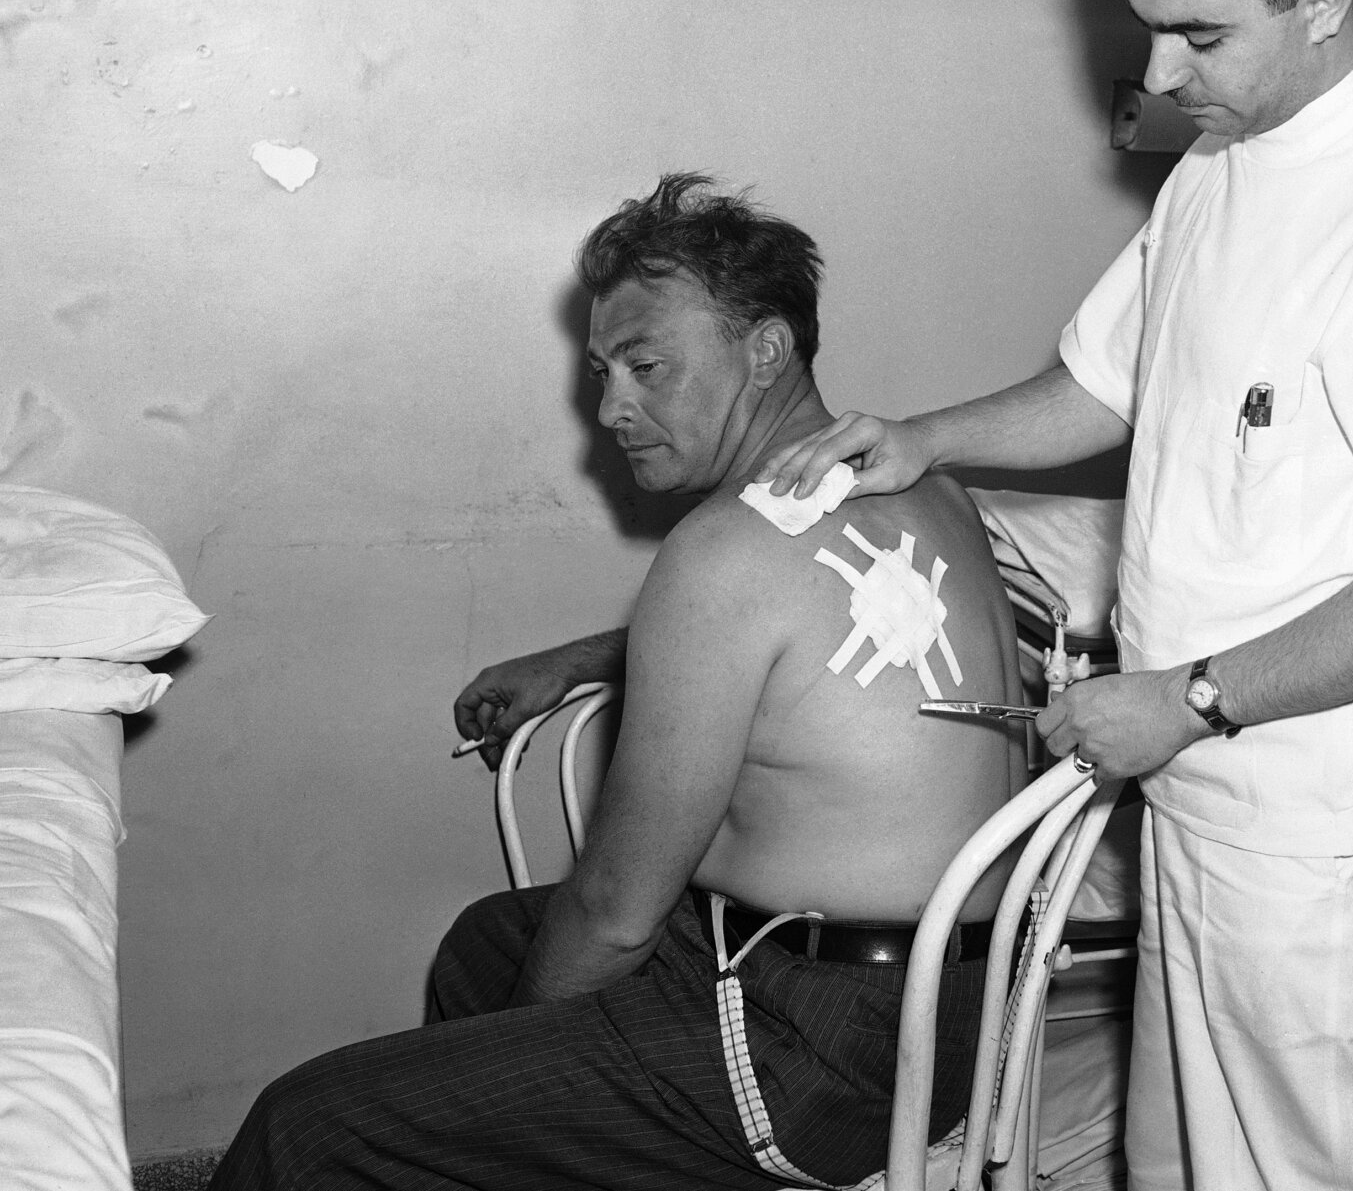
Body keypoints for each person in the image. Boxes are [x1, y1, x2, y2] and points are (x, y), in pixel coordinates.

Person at [757, 0, 1353, 1191]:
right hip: (1198, 777)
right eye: (1146, 21)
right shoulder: (1226, 169)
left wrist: (1184, 698)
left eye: (1201, 32)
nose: (1160, 76)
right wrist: (924, 437)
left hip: (1317, 821)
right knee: (1179, 1160)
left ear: (1328, 0)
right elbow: (1103, 385)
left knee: (1308, 1168)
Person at [210, 173, 1026, 1191]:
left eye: (647, 367)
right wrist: (583, 659)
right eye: (602, 371)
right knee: (486, 943)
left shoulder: (721, 555)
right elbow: (823, 653)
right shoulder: (926, 486)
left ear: (765, 348)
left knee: (309, 1125)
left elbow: (615, 910)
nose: (611, 408)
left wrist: (489, 1083)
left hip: (815, 1056)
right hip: (961, 1011)